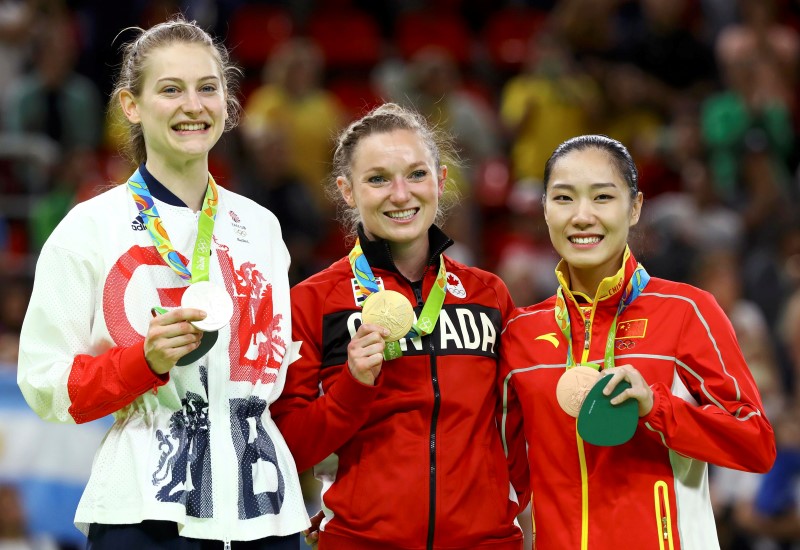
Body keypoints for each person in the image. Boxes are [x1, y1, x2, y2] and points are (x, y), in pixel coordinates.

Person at [17, 16, 309, 549]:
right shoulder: (89, 228)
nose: (192, 106)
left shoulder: (262, 228)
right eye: (170, 89)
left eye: (207, 88)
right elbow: (43, 387)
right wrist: (141, 364)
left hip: (264, 512)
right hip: (144, 511)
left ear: (227, 101)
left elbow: (275, 378)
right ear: (131, 105)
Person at [271, 102, 529, 550]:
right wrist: (351, 388)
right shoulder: (311, 303)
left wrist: (498, 514)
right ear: (347, 191)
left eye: (416, 174)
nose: (401, 194)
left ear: (441, 181)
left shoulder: (490, 296)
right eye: (377, 179)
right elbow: (284, 451)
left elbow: (525, 425)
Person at [499, 134, 776, 549]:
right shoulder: (520, 334)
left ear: (635, 208)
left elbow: (756, 443)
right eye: (563, 199)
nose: (582, 216)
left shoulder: (686, 311)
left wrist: (657, 407)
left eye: (602, 197)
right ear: (544, 210)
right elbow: (502, 478)